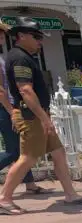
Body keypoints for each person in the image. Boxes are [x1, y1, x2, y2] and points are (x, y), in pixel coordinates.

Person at [0, 17, 82, 215]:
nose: (39, 41)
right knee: (28, 157)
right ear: (21, 36)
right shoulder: (19, 58)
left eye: (40, 37)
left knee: (58, 152)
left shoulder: (24, 56)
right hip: (30, 116)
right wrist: (44, 119)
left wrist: (46, 117)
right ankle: (5, 199)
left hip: (38, 116)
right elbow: (25, 90)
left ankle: (70, 194)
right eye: (35, 37)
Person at [0, 21, 49, 195]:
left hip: (11, 106)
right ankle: (5, 198)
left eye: (3, 33)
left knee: (23, 151)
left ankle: (29, 184)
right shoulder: (13, 57)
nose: (3, 36)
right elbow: (2, 90)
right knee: (17, 152)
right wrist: (11, 110)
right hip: (6, 108)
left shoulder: (5, 56)